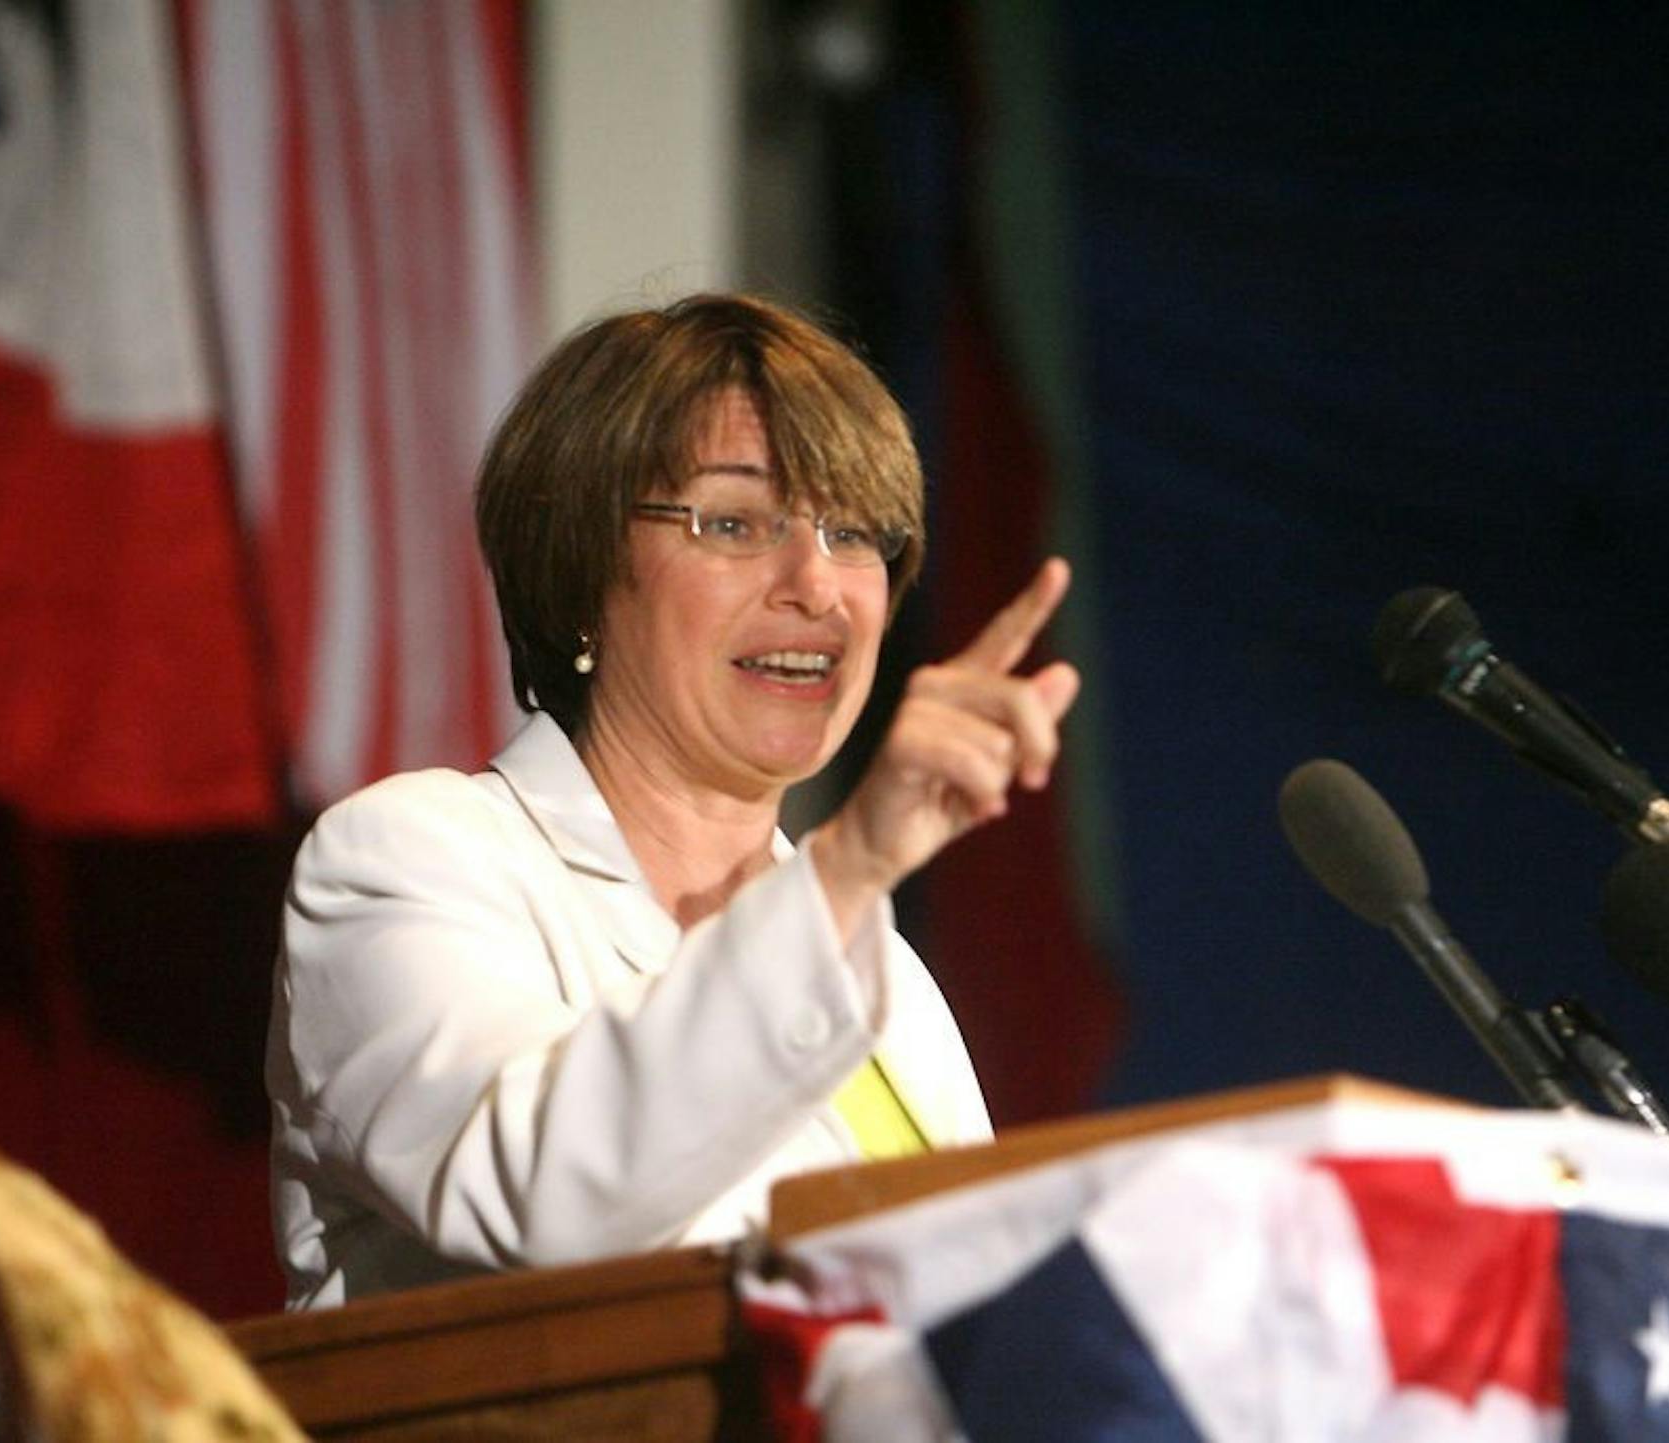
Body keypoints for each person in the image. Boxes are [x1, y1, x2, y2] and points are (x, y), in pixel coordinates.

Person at [265, 294, 1079, 1307]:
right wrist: (852, 864)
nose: (818, 588)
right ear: (586, 571)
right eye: (735, 521)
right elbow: (549, 1201)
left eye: (853, 531)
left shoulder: (891, 988)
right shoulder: (409, 860)